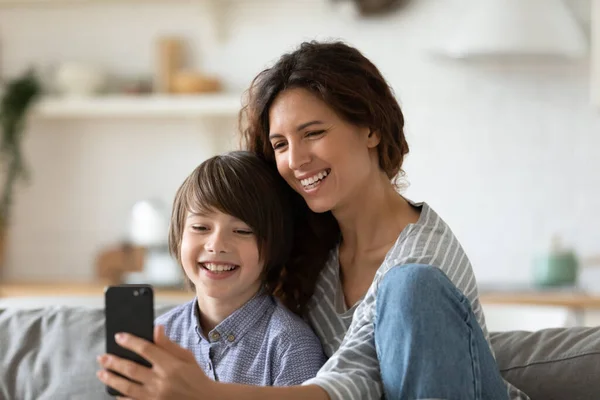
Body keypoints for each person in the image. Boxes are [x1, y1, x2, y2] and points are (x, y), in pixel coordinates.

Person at [96, 41, 529, 400]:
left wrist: (206, 393)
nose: (295, 160)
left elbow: (353, 379)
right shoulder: (314, 248)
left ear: (370, 129)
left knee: (411, 286)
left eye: (313, 133)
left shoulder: (420, 261)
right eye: (280, 143)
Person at [98, 151, 325, 390]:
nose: (216, 245)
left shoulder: (291, 345)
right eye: (200, 227)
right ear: (178, 237)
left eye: (242, 231)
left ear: (273, 245)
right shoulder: (159, 337)